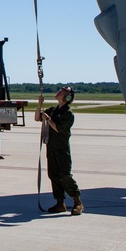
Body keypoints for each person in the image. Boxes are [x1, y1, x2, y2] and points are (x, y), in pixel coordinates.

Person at [36, 87, 83, 215]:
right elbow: (37, 117)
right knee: (53, 175)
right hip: (51, 147)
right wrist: (39, 104)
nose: (59, 91)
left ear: (67, 97)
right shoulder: (53, 110)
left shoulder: (68, 113)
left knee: (65, 175)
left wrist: (48, 119)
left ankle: (77, 201)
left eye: (63, 91)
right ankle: (60, 202)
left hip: (62, 149)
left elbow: (58, 128)